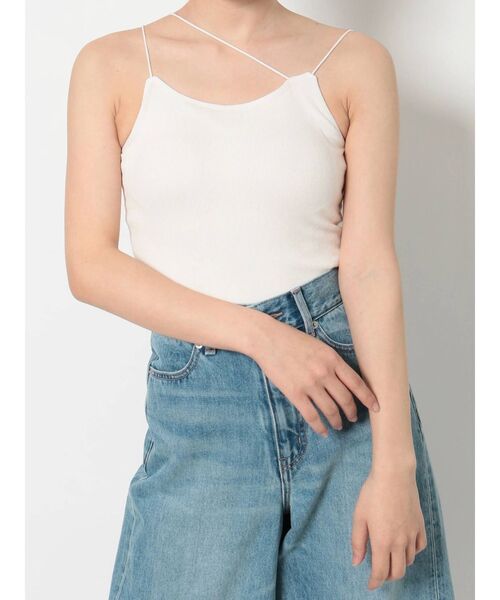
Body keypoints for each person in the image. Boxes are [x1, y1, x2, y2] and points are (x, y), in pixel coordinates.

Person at [65, 1, 454, 598]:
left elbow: (370, 266)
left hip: (347, 403)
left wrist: (395, 465)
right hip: (200, 414)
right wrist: (263, 337)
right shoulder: (112, 65)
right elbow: (90, 265)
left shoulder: (354, 62)